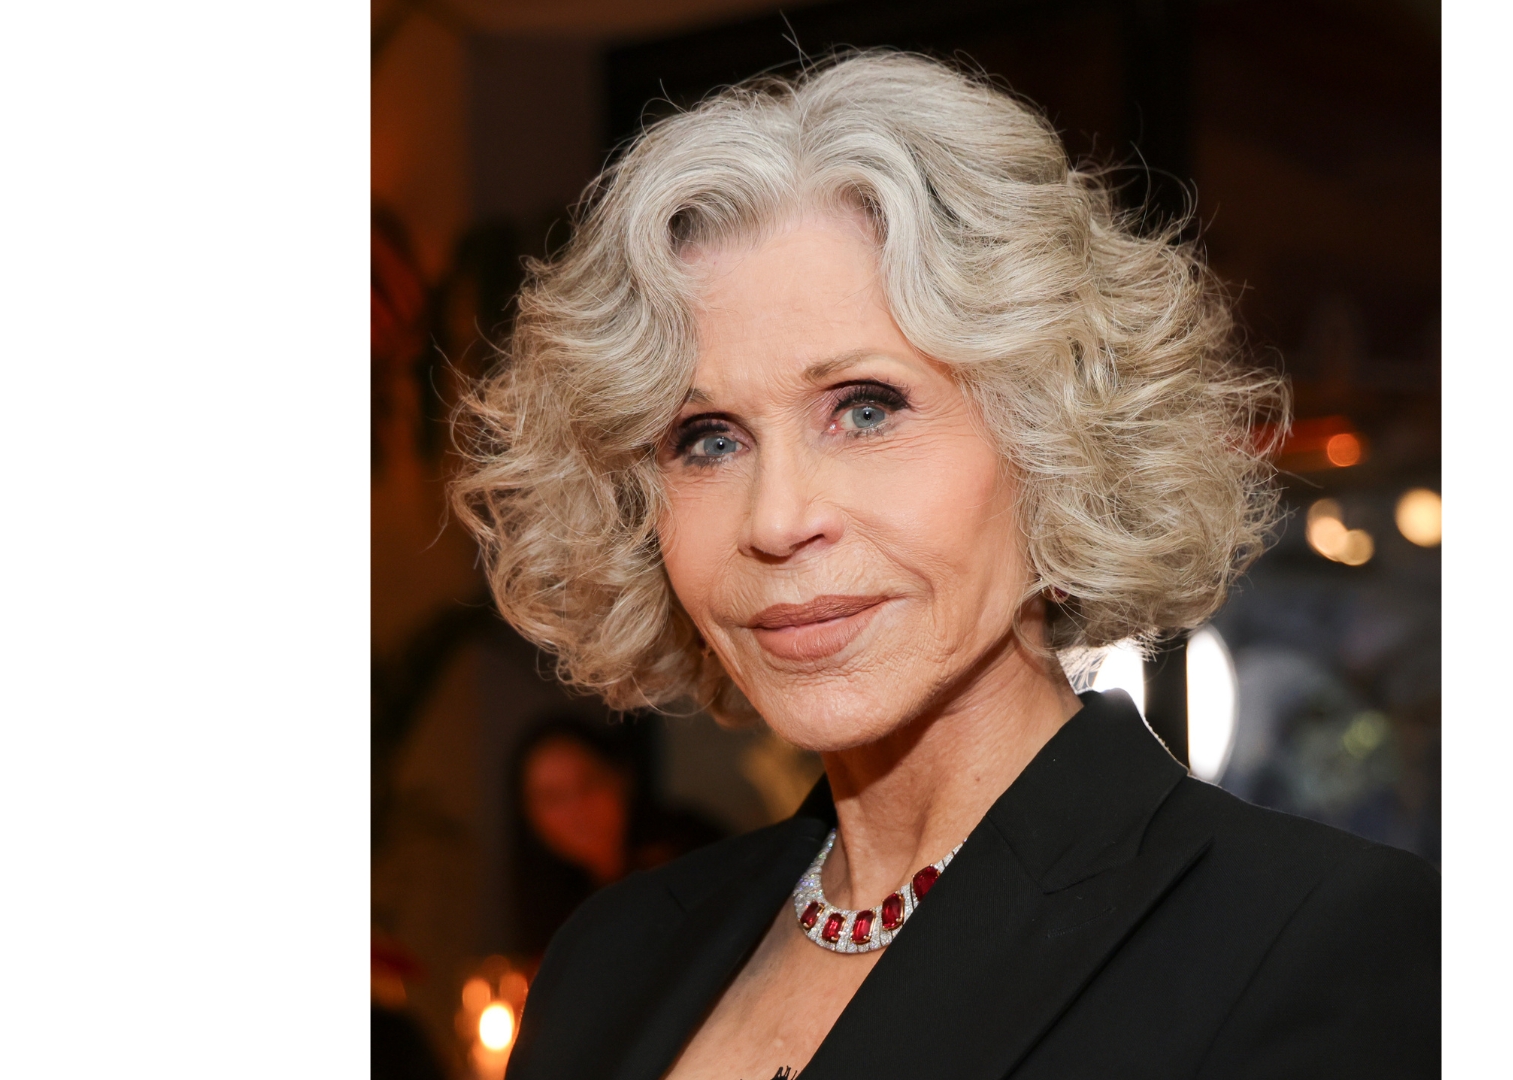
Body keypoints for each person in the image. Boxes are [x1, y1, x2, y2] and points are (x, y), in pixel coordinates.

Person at [454, 52, 1437, 1080]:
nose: (778, 519)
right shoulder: (608, 962)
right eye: (706, 439)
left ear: (1053, 444)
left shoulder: (1302, 940)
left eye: (865, 410)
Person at [510, 712, 724, 959]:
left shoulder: (688, 858)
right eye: (553, 798)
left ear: (622, 776)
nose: (576, 808)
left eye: (589, 783)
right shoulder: (551, 903)